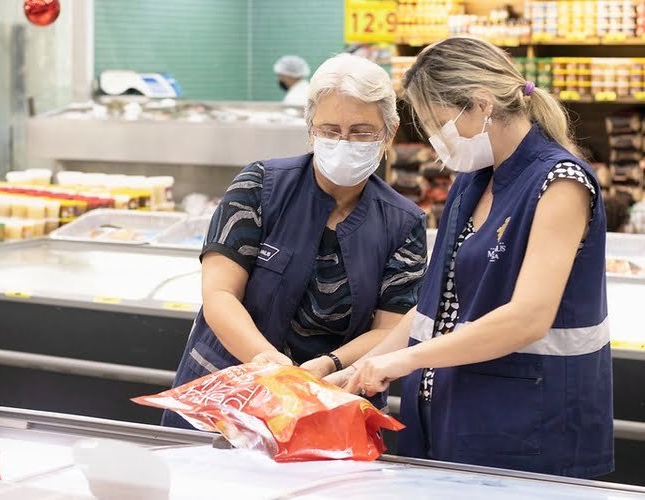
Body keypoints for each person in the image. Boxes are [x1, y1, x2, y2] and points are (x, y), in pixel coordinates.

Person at [333, 37, 613, 478]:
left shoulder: (560, 182)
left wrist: (406, 360)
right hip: (450, 418)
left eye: (439, 124)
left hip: (530, 427)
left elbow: (528, 318)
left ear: (481, 104)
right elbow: (431, 308)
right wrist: (352, 371)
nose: (435, 142)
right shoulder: (472, 181)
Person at [162, 53, 427, 429]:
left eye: (361, 132)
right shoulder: (260, 186)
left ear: (389, 132)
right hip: (226, 394)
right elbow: (220, 293)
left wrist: (330, 365)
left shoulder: (403, 222)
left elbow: (390, 329)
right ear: (310, 129)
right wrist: (265, 360)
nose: (344, 142)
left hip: (329, 402)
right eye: (330, 131)